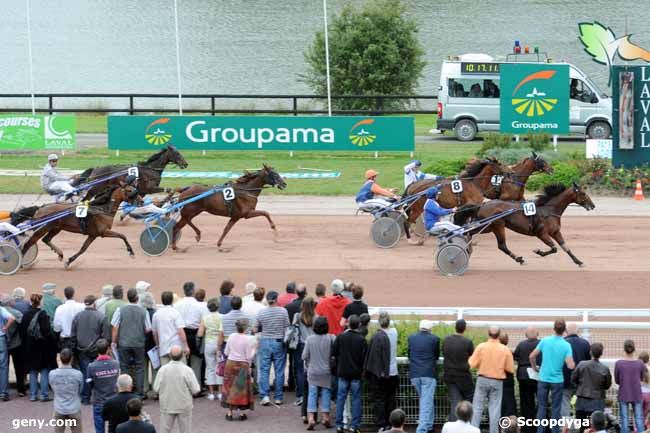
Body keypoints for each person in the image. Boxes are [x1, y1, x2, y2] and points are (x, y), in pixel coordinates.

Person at [529, 319, 575, 433]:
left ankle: (540, 431)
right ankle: (555, 431)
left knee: (542, 407)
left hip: (543, 378)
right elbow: (570, 366)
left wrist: (535, 368)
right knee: (556, 409)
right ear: (564, 330)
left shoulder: (545, 341)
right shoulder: (566, 345)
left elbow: (531, 356)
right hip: (557, 380)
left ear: (553, 328)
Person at [469, 326, 514, 433]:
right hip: (497, 381)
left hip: (482, 379)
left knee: (477, 407)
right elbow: (510, 369)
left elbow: (472, 363)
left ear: (488, 334)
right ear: (498, 335)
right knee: (495, 409)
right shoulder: (505, 349)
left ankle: (473, 430)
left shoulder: (481, 347)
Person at [112, 288, 152, 399]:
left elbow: (115, 327)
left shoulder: (120, 310)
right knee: (139, 368)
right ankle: (139, 394)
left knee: (124, 367)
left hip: (124, 343)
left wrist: (114, 341)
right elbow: (148, 328)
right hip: (139, 343)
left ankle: (125, 392)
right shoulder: (144, 311)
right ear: (137, 298)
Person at [154, 345, 201, 433]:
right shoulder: (187, 370)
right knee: (185, 430)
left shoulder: (162, 370)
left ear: (170, 355)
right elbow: (196, 389)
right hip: (184, 404)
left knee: (165, 430)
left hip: (167, 404)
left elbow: (156, 388)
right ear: (182, 355)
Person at [333, 314, 368, 433]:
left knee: (341, 398)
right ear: (358, 325)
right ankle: (354, 425)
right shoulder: (362, 339)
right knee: (356, 399)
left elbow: (334, 353)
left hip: (342, 372)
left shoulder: (340, 337)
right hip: (356, 374)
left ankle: (339, 425)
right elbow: (365, 358)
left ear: (348, 324)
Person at [365, 311, 399, 432]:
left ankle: (381, 425)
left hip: (380, 373)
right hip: (393, 372)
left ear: (379, 322)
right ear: (389, 321)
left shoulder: (377, 336)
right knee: (391, 398)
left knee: (380, 399)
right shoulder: (395, 332)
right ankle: (391, 423)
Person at [21, 293, 57, 402]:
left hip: (30, 347)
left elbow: (22, 331)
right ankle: (44, 395)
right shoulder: (43, 314)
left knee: (32, 372)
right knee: (44, 371)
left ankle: (33, 395)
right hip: (42, 347)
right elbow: (47, 331)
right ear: (40, 302)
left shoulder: (26, 314)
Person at [255, 291, 290, 406]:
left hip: (265, 342)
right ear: (276, 299)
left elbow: (255, 329)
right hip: (278, 342)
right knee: (279, 370)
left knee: (264, 370)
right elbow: (287, 327)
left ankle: (264, 395)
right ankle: (278, 397)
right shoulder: (283, 311)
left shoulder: (261, 312)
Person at [71, 294, 106, 405]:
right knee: (99, 374)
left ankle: (85, 397)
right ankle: (99, 397)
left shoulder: (77, 316)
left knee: (86, 374)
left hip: (81, 349)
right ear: (94, 303)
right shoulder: (101, 316)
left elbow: (73, 334)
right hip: (96, 349)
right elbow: (104, 335)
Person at [571, 342, 612, 433]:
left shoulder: (581, 365)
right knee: (596, 428)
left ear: (590, 352)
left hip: (582, 401)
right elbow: (607, 385)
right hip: (597, 402)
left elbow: (573, 379)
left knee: (581, 427)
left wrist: (580, 386)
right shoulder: (604, 368)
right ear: (601, 354)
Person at [408, 320, 440, 433]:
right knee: (426, 402)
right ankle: (421, 430)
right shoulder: (435, 339)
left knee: (426, 400)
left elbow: (409, 354)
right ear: (430, 329)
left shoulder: (411, 338)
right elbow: (436, 356)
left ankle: (429, 426)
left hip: (415, 374)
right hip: (428, 374)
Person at [302, 316, 334, 430]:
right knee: (326, 393)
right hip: (326, 371)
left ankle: (311, 418)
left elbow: (304, 356)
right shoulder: (331, 338)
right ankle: (325, 417)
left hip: (313, 371)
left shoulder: (310, 339)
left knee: (312, 394)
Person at [222, 318, 256, 421]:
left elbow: (226, 352)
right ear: (246, 328)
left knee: (229, 387)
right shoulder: (249, 339)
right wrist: (255, 349)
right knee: (241, 389)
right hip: (242, 364)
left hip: (231, 363)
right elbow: (249, 356)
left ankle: (229, 413)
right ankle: (241, 414)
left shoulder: (231, 336)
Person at [443, 319, 475, 421]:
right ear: (464, 329)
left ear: (455, 327)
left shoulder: (446, 340)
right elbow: (472, 356)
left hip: (449, 376)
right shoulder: (467, 342)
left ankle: (453, 425)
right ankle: (467, 423)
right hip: (464, 377)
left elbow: (443, 352)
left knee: (455, 402)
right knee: (470, 399)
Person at [174, 282, 205, 385]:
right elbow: (202, 322)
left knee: (182, 361)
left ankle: (183, 385)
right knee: (196, 362)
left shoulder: (177, 305)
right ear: (193, 291)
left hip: (181, 333)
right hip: (194, 334)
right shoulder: (200, 306)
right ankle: (196, 387)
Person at [88, 338, 120, 433]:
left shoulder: (91, 366)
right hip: (113, 400)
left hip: (98, 401)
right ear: (108, 349)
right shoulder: (116, 364)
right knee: (113, 428)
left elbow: (89, 383)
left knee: (99, 429)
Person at [615, 339, 646, 433]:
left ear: (624, 349)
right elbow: (642, 378)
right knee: (639, 419)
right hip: (636, 393)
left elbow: (617, 380)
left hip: (624, 393)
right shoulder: (640, 363)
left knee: (624, 420)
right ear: (634, 349)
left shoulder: (619, 363)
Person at [49, 348, 83, 433]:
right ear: (72, 358)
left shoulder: (52, 374)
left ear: (60, 358)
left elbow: (52, 386)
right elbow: (81, 390)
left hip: (59, 407)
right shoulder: (78, 374)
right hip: (74, 407)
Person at [514, 326, 540, 433]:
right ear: (537, 334)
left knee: (526, 403)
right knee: (541, 402)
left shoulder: (521, 344)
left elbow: (515, 357)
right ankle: (540, 426)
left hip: (524, 376)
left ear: (526, 335)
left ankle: (527, 428)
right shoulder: (541, 344)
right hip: (539, 375)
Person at [152, 291, 189, 366]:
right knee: (180, 371)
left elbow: (154, 333)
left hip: (163, 348)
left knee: (166, 374)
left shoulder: (156, 314)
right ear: (172, 300)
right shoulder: (176, 313)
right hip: (177, 348)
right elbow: (180, 331)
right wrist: (186, 346)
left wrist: (158, 346)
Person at [563, 323, 592, 418]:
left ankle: (565, 428)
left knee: (564, 405)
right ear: (578, 331)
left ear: (566, 332)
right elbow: (589, 362)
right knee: (581, 406)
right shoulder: (585, 344)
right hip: (581, 381)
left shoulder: (562, 343)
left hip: (565, 379)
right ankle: (581, 427)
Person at [296, 297, 317, 421]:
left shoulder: (298, 316)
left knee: (301, 371)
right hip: (313, 345)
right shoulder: (316, 317)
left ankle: (302, 398)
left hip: (302, 345)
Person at [197, 298, 222, 401]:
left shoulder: (205, 318)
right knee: (220, 367)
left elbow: (200, 333)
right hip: (219, 344)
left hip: (209, 344)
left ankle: (211, 393)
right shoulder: (222, 317)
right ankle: (220, 392)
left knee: (210, 368)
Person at [53, 286, 85, 351]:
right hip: (79, 338)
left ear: (65, 295)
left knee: (67, 359)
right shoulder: (82, 306)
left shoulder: (60, 308)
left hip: (66, 339)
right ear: (73, 294)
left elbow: (56, 327)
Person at [140, 292, 158, 400]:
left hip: (142, 343)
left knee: (143, 368)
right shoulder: (155, 313)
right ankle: (156, 390)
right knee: (155, 367)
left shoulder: (140, 313)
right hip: (153, 343)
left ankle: (144, 389)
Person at [0, 303, 16, 401]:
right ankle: (3, 393)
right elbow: (12, 318)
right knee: (3, 367)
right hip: (0, 338)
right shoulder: (1, 309)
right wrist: (5, 328)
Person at [500, 333, 517, 417]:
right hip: (508, 379)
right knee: (510, 401)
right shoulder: (508, 351)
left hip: (498, 379)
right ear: (507, 341)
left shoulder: (495, 350)